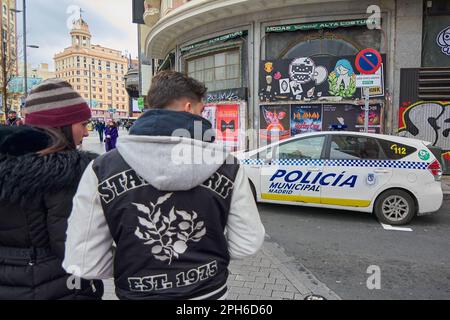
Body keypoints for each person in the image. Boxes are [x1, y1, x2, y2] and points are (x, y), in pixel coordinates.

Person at [63, 71, 265, 300]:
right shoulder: (228, 166)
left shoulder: (102, 169)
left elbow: (84, 261)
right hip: (209, 293)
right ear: (189, 108)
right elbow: (247, 243)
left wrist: (133, 268)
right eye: (201, 111)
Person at [0, 79, 104, 300]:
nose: (86, 133)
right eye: (83, 124)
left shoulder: (7, 164)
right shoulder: (67, 172)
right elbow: (72, 248)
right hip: (58, 286)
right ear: (62, 125)